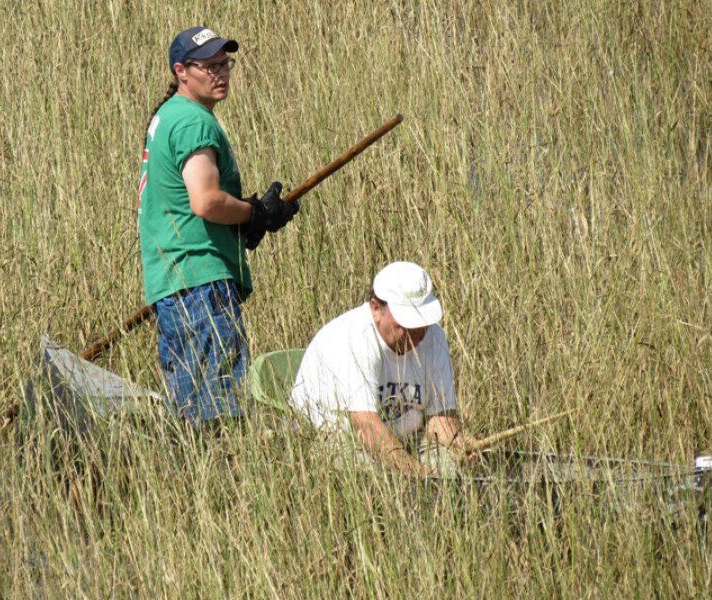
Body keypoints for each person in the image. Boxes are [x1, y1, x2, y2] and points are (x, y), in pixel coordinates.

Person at [138, 27, 299, 430]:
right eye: (208, 66)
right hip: (201, 282)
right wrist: (254, 213)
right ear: (182, 71)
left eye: (224, 64)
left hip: (178, 283)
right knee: (219, 417)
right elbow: (206, 200)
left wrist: (248, 220)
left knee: (192, 415)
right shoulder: (193, 122)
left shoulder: (170, 117)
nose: (220, 73)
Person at [290, 262, 476, 477]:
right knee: (368, 473)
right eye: (406, 325)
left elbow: (440, 418)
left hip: (408, 438)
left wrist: (455, 440)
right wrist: (420, 476)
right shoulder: (351, 337)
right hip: (341, 440)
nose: (418, 332)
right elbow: (366, 426)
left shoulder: (434, 337)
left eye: (422, 323)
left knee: (452, 470)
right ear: (376, 309)